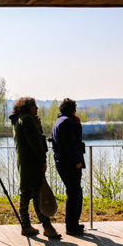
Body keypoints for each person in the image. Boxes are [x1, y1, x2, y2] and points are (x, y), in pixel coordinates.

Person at [9, 97, 61, 239]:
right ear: (28, 107)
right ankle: (47, 227)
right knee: (39, 194)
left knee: (25, 194)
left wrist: (38, 127)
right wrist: (42, 159)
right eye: (34, 105)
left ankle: (26, 226)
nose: (37, 108)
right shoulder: (27, 119)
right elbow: (36, 142)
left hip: (24, 163)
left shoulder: (18, 120)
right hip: (32, 163)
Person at [51, 98, 86, 236]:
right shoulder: (67, 122)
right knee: (74, 194)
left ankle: (73, 224)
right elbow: (71, 144)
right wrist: (77, 161)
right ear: (73, 109)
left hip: (62, 163)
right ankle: (71, 226)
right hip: (69, 164)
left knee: (75, 192)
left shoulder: (60, 121)